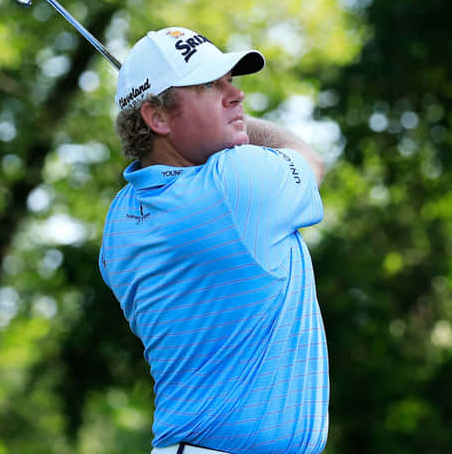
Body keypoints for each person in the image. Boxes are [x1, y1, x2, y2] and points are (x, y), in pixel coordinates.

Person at [98, 26, 328, 454]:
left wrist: (211, 117)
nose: (236, 95)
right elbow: (309, 160)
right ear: (158, 117)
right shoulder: (236, 184)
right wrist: (243, 126)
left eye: (230, 81)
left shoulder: (119, 223)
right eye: (208, 85)